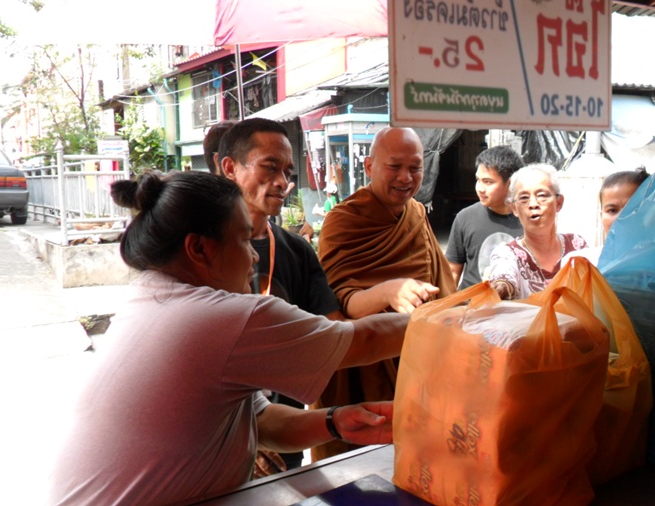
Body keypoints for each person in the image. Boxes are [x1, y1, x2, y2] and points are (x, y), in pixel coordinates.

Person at [47, 171, 410, 505]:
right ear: (199, 249)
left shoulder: (151, 298)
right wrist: (451, 318)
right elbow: (364, 341)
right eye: (243, 239)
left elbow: (263, 423)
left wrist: (334, 421)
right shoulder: (218, 317)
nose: (254, 256)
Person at [315, 126, 457, 458]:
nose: (406, 177)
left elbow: (442, 291)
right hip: (363, 367)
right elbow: (340, 303)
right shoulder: (343, 221)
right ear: (368, 166)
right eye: (394, 166)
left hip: (416, 362)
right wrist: (388, 292)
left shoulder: (417, 214)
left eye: (415, 167)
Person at [217, 118, 343, 470]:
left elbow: (331, 334)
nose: (283, 183)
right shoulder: (202, 252)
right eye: (269, 167)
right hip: (217, 445)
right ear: (230, 167)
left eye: (287, 171)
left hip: (283, 440)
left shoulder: (297, 251)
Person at [488, 164, 588, 300]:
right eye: (524, 198)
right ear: (514, 209)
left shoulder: (577, 246)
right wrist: (502, 286)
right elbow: (503, 276)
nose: (533, 204)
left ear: (559, 203)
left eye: (542, 195)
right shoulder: (508, 254)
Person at [446, 145, 524, 290]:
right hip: (470, 308)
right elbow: (452, 272)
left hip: (516, 309)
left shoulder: (528, 222)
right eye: (478, 180)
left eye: (488, 182)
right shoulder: (465, 218)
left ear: (511, 184)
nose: (480, 188)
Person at [565, 168, 649, 265]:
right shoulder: (580, 263)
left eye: (632, 209)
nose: (620, 218)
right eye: (612, 210)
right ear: (601, 216)